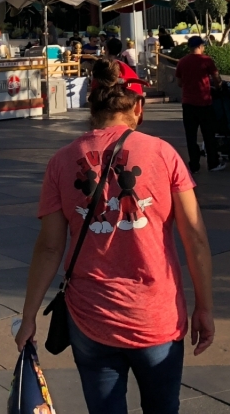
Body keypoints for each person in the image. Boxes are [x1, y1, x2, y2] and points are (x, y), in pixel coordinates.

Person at [15, 59, 215, 414]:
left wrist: (29, 315)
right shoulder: (163, 154)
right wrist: (205, 306)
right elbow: (195, 237)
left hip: (90, 318)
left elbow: (49, 246)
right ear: (137, 107)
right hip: (156, 316)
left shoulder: (61, 162)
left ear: (91, 106)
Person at [176, 36, 224, 173]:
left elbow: (179, 83)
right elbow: (216, 78)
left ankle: (194, 164)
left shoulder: (182, 62)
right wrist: (218, 86)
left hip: (188, 103)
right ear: (201, 46)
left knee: (191, 136)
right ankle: (213, 163)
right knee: (208, 134)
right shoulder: (206, 60)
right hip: (204, 102)